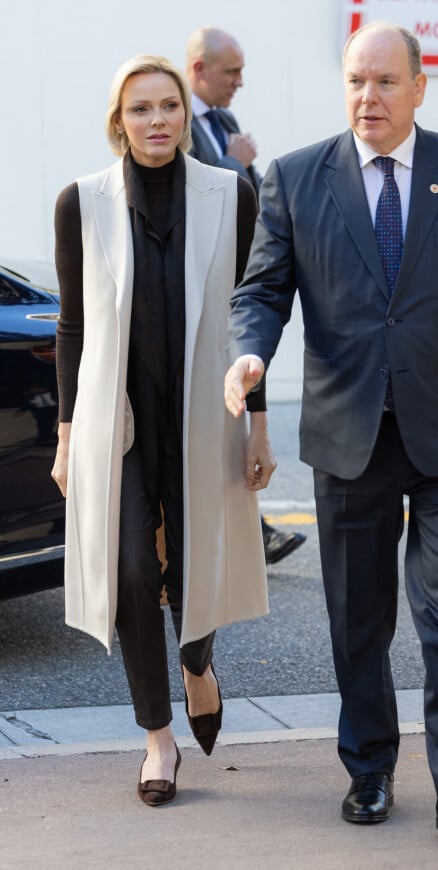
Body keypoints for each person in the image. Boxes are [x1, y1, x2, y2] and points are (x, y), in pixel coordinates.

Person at [224, 22, 438, 839]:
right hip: (349, 435)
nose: (366, 97)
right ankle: (369, 769)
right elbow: (262, 291)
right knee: (359, 617)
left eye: (382, 82)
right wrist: (248, 356)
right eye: (354, 82)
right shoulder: (297, 179)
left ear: (419, 86)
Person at [51, 54, 274, 807]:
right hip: (117, 420)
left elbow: (251, 316)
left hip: (207, 413)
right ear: (120, 121)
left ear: (185, 114)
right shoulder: (80, 202)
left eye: (169, 106)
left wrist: (261, 426)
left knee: (195, 565)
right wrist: (64, 437)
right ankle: (157, 738)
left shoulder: (231, 194)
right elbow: (72, 326)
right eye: (140, 109)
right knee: (132, 575)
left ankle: (199, 665)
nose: (157, 121)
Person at [185, 24, 306, 565]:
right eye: (231, 71)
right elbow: (195, 197)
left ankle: (249, 529)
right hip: (195, 293)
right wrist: (234, 162)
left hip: (235, 287)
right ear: (199, 70)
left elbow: (250, 197)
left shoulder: (226, 122)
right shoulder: (176, 119)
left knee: (237, 398)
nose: (239, 82)